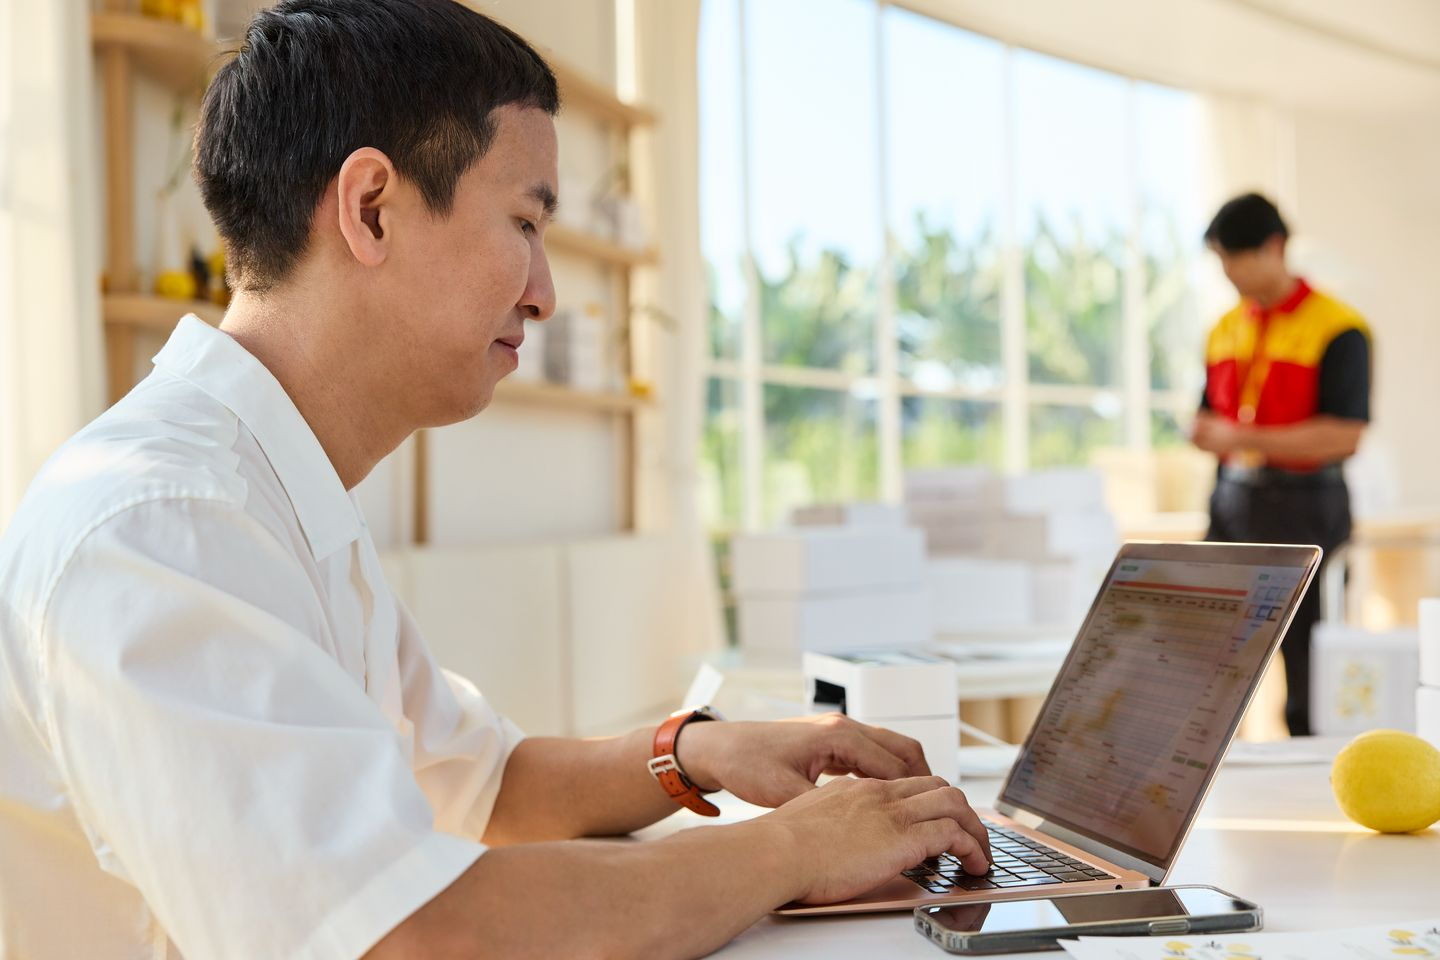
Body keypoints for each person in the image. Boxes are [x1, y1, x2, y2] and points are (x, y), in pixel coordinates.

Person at [0, 2, 993, 957]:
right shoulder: (166, 529)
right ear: (372, 208)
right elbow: (410, 938)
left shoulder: (273, 497)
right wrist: (794, 847)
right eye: (525, 222)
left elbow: (482, 785)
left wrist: (693, 752)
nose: (546, 292)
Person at [1191, 192, 1371, 737]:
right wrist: (1214, 435)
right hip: (1231, 500)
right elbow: (1205, 420)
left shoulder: (1338, 327)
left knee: (1306, 667)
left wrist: (1242, 436)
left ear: (1275, 247)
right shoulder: (1224, 327)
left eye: (1237, 258)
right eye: (1221, 261)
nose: (1229, 273)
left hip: (1305, 508)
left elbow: (1344, 435)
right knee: (1201, 653)